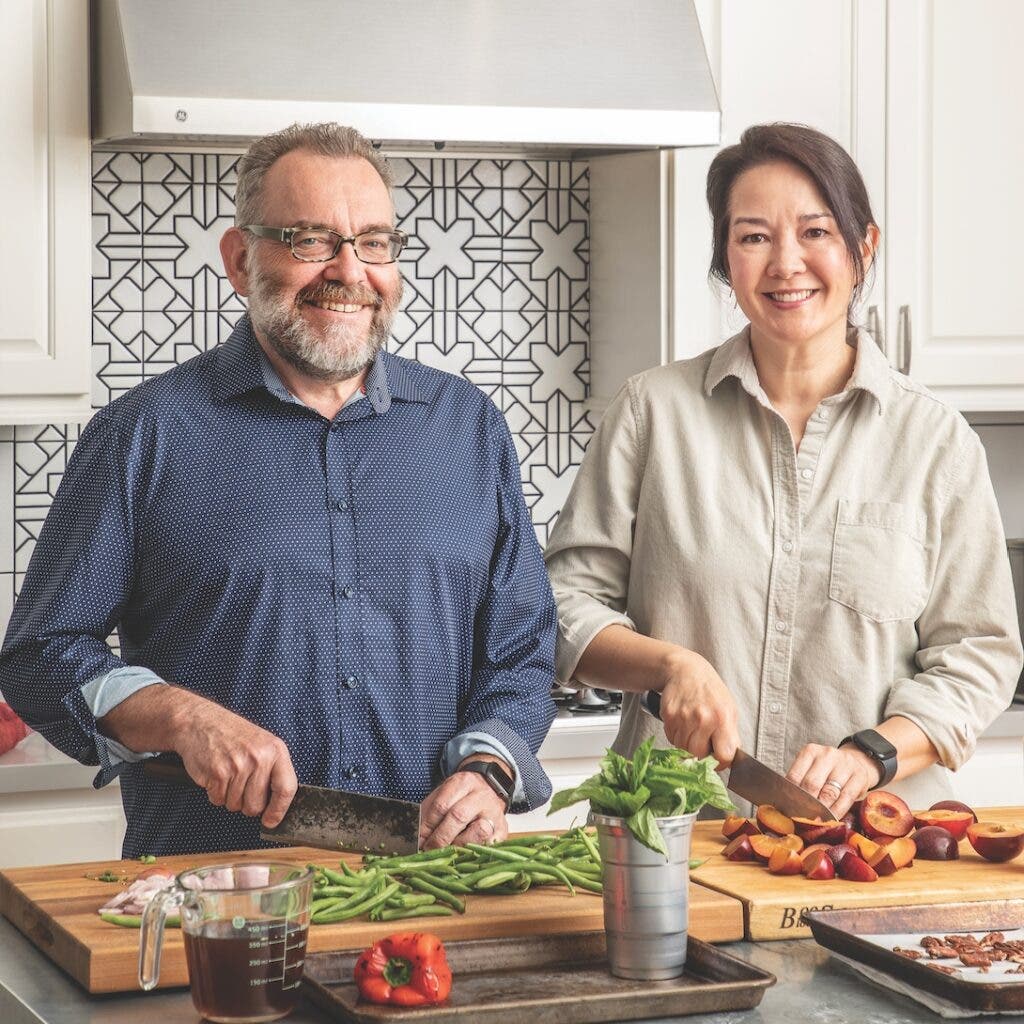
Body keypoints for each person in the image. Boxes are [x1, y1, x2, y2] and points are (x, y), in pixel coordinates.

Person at [0, 122, 557, 856]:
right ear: (239, 259)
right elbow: (41, 654)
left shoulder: (468, 430)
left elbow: (520, 651)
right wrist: (178, 715)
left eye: (375, 241)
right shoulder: (143, 434)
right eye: (310, 239)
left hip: (426, 898)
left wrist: (488, 770)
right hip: (215, 904)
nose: (350, 270)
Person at [545, 123, 1023, 818]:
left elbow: (977, 656)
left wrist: (873, 753)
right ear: (726, 260)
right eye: (753, 236)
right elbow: (560, 606)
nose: (786, 263)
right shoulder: (652, 414)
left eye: (815, 232)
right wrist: (670, 665)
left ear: (864, 249)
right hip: (670, 836)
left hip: (867, 841)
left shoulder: (936, 443)